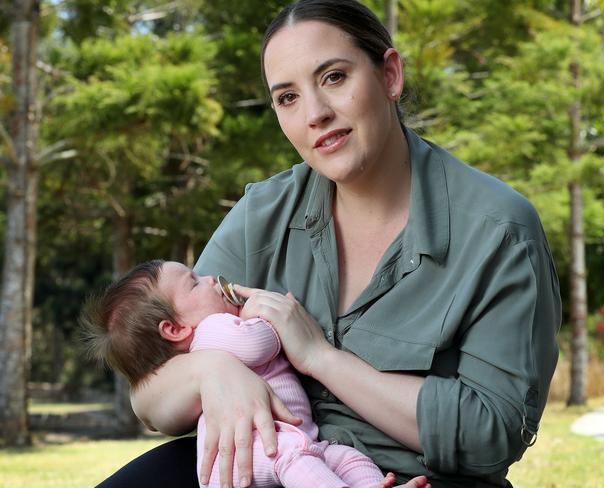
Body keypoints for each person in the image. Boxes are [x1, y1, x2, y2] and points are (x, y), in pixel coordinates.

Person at [97, 1, 562, 487]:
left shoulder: (499, 230)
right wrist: (210, 372)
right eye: (288, 98)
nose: (315, 114)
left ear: (390, 75)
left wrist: (321, 358)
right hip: (269, 467)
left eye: (334, 77)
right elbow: (148, 395)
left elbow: (492, 436)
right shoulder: (263, 213)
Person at [81, 259, 430, 488]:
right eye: (194, 282)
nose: (211, 278)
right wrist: (266, 316)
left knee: (343, 457)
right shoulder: (213, 330)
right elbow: (256, 345)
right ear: (174, 329)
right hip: (262, 446)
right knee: (296, 457)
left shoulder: (206, 331)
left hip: (284, 440)